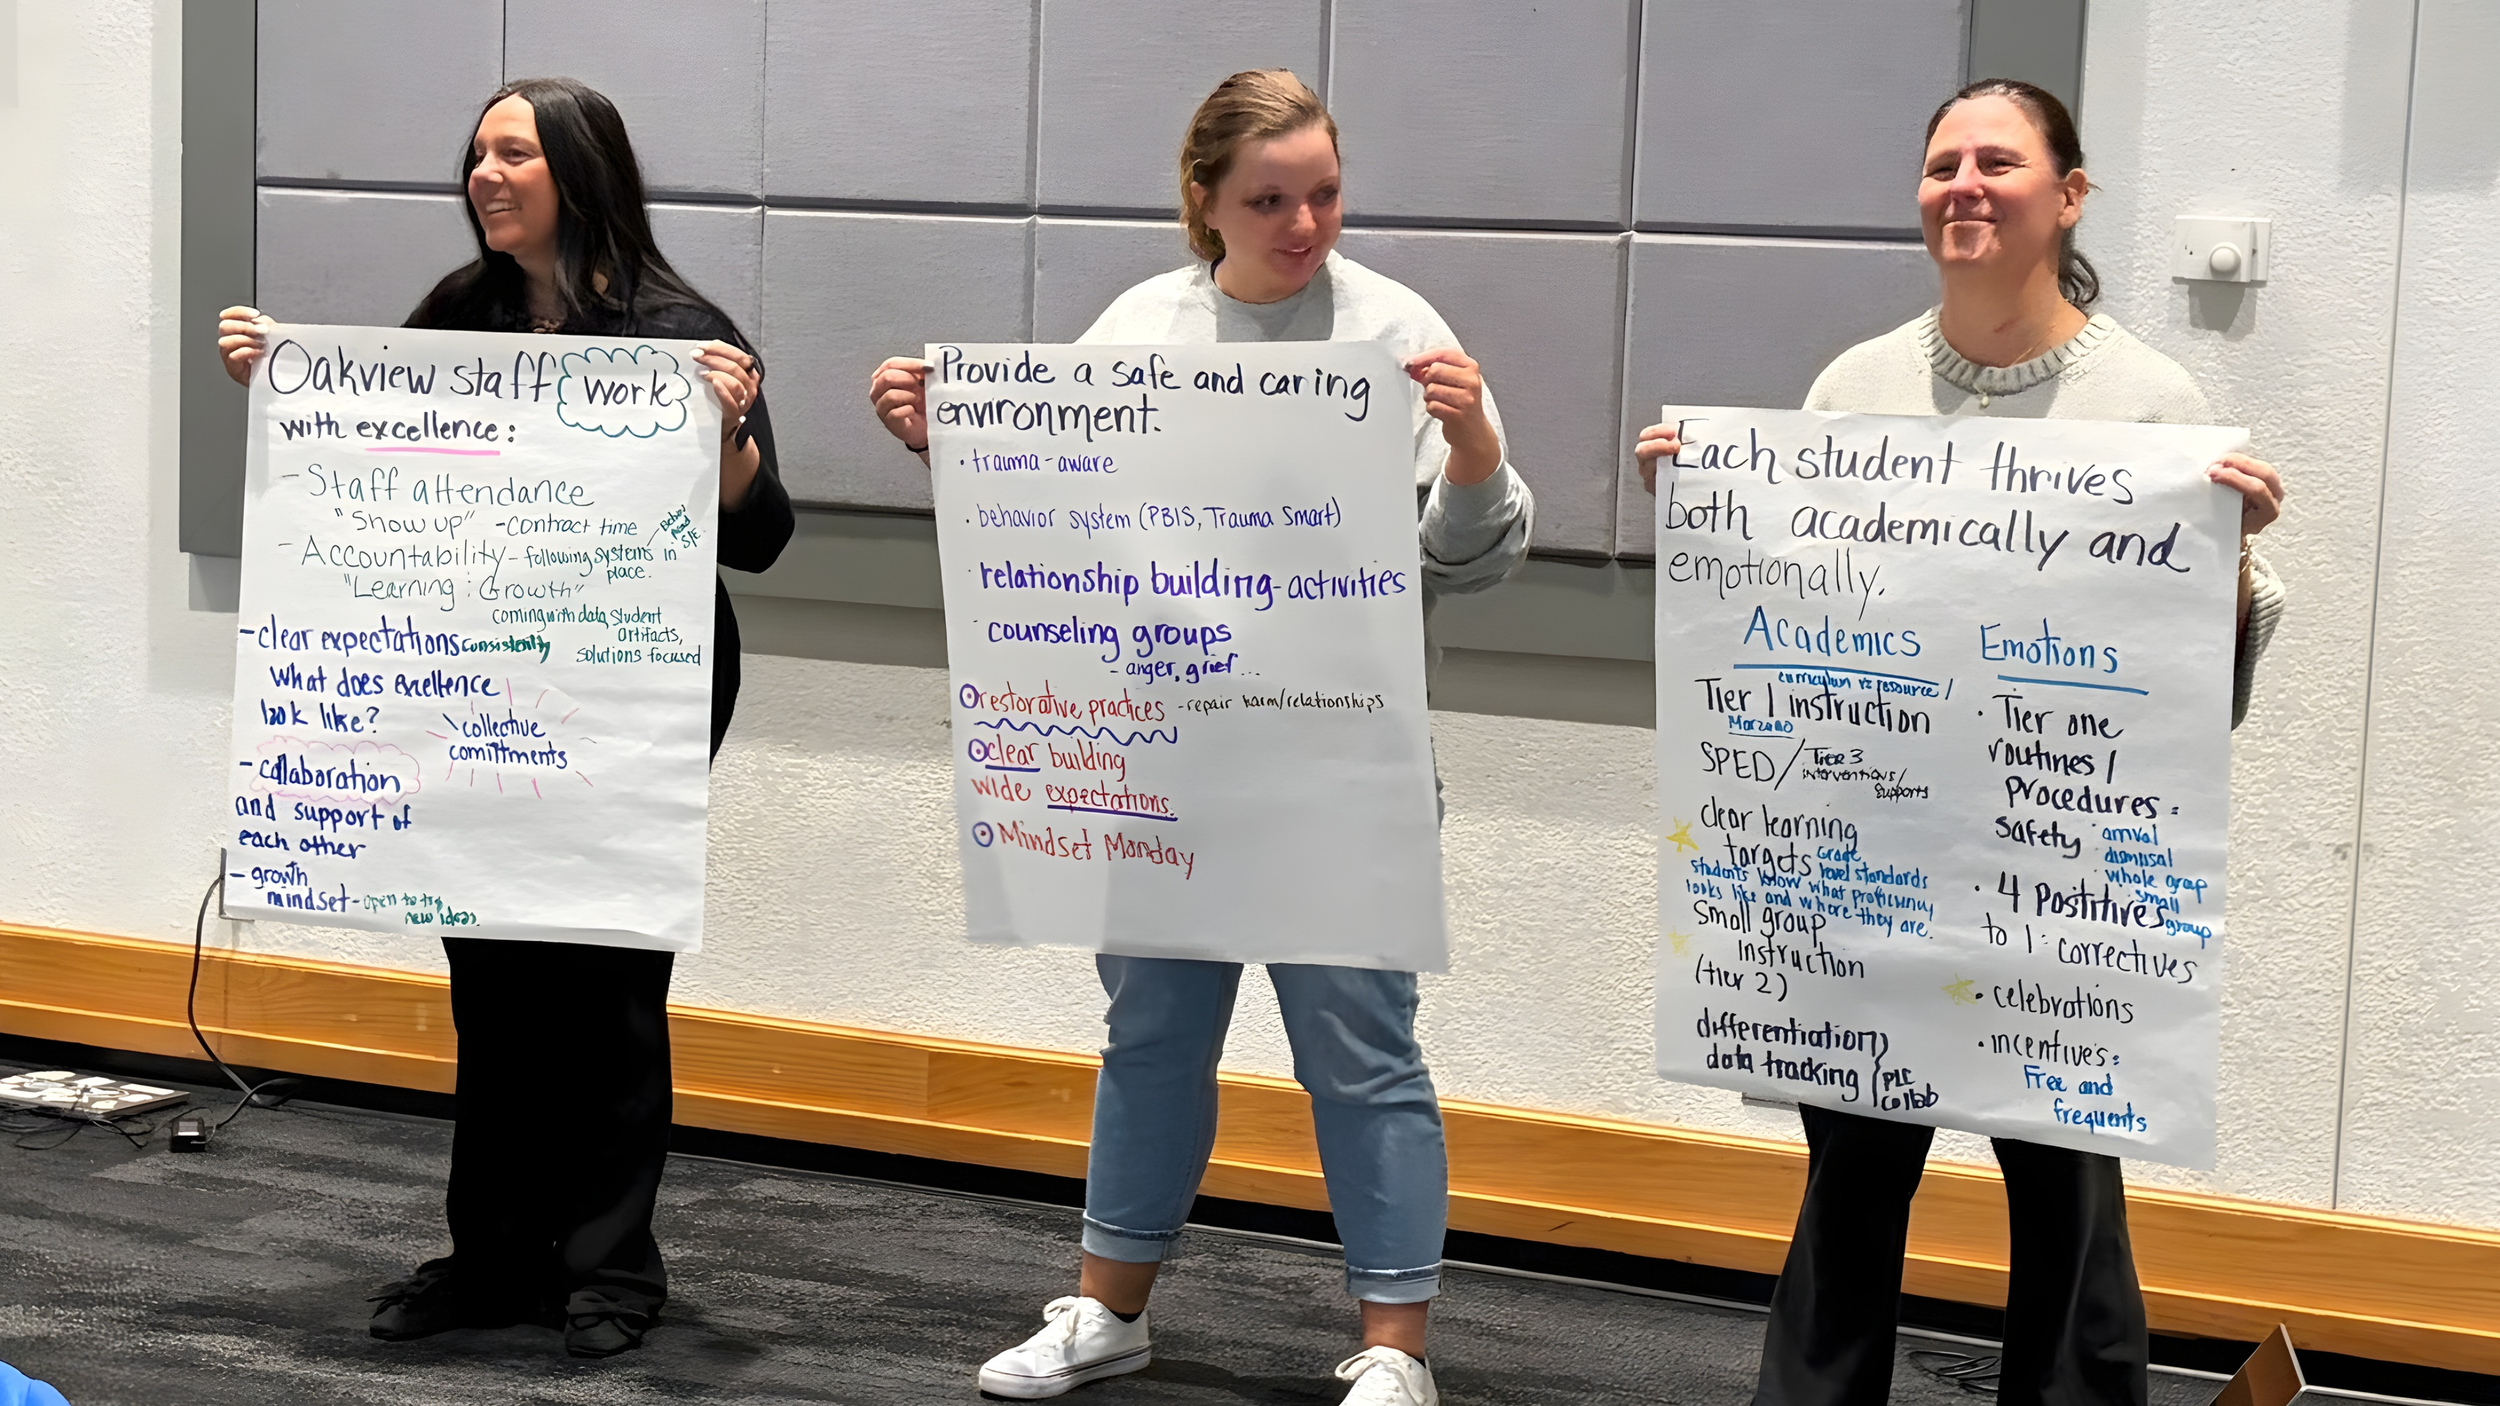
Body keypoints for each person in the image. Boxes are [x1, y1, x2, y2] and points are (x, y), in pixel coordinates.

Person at [869, 68, 1532, 1406]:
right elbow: (1065, 529)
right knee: (1154, 1034)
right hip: (1162, 757)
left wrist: (1469, 446)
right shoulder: (1139, 327)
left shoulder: (1394, 329)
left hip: (1340, 762)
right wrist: (955, 448)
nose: (1304, 224)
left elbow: (1473, 562)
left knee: (1362, 1045)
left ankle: (1395, 1349)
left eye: (1324, 193)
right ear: (1204, 203)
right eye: (1270, 199)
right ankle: (1108, 1308)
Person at [1636, 79, 2285, 1406]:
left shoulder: (2156, 405)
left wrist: (2231, 559)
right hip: (1875, 862)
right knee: (1853, 1172)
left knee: (2068, 1184)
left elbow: (2187, 694)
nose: (1964, 186)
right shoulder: (1854, 384)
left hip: (2061, 872)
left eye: (1998, 161)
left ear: (2070, 193)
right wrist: (1711, 515)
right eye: (1942, 165)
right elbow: (1790, 625)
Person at [216, 76, 794, 1359]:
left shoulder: (676, 328)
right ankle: (492, 1254)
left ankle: (610, 1267)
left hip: (633, 690)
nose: (484, 174)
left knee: (609, 980)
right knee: (491, 979)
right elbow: (375, 454)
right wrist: (283, 383)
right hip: (474, 687)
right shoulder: (460, 316)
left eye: (513, 154)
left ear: (579, 171)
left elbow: (760, 537)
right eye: (476, 153)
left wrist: (731, 431)